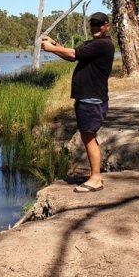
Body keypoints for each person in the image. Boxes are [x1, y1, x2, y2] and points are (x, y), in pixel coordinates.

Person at [41, 12, 115, 193]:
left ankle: (96, 178)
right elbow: (72, 55)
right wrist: (56, 45)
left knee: (89, 136)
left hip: (91, 99)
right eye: (93, 25)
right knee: (87, 135)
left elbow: (73, 54)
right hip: (88, 98)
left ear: (107, 26)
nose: (95, 28)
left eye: (99, 24)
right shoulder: (95, 45)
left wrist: (51, 49)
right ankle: (95, 175)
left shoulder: (103, 44)